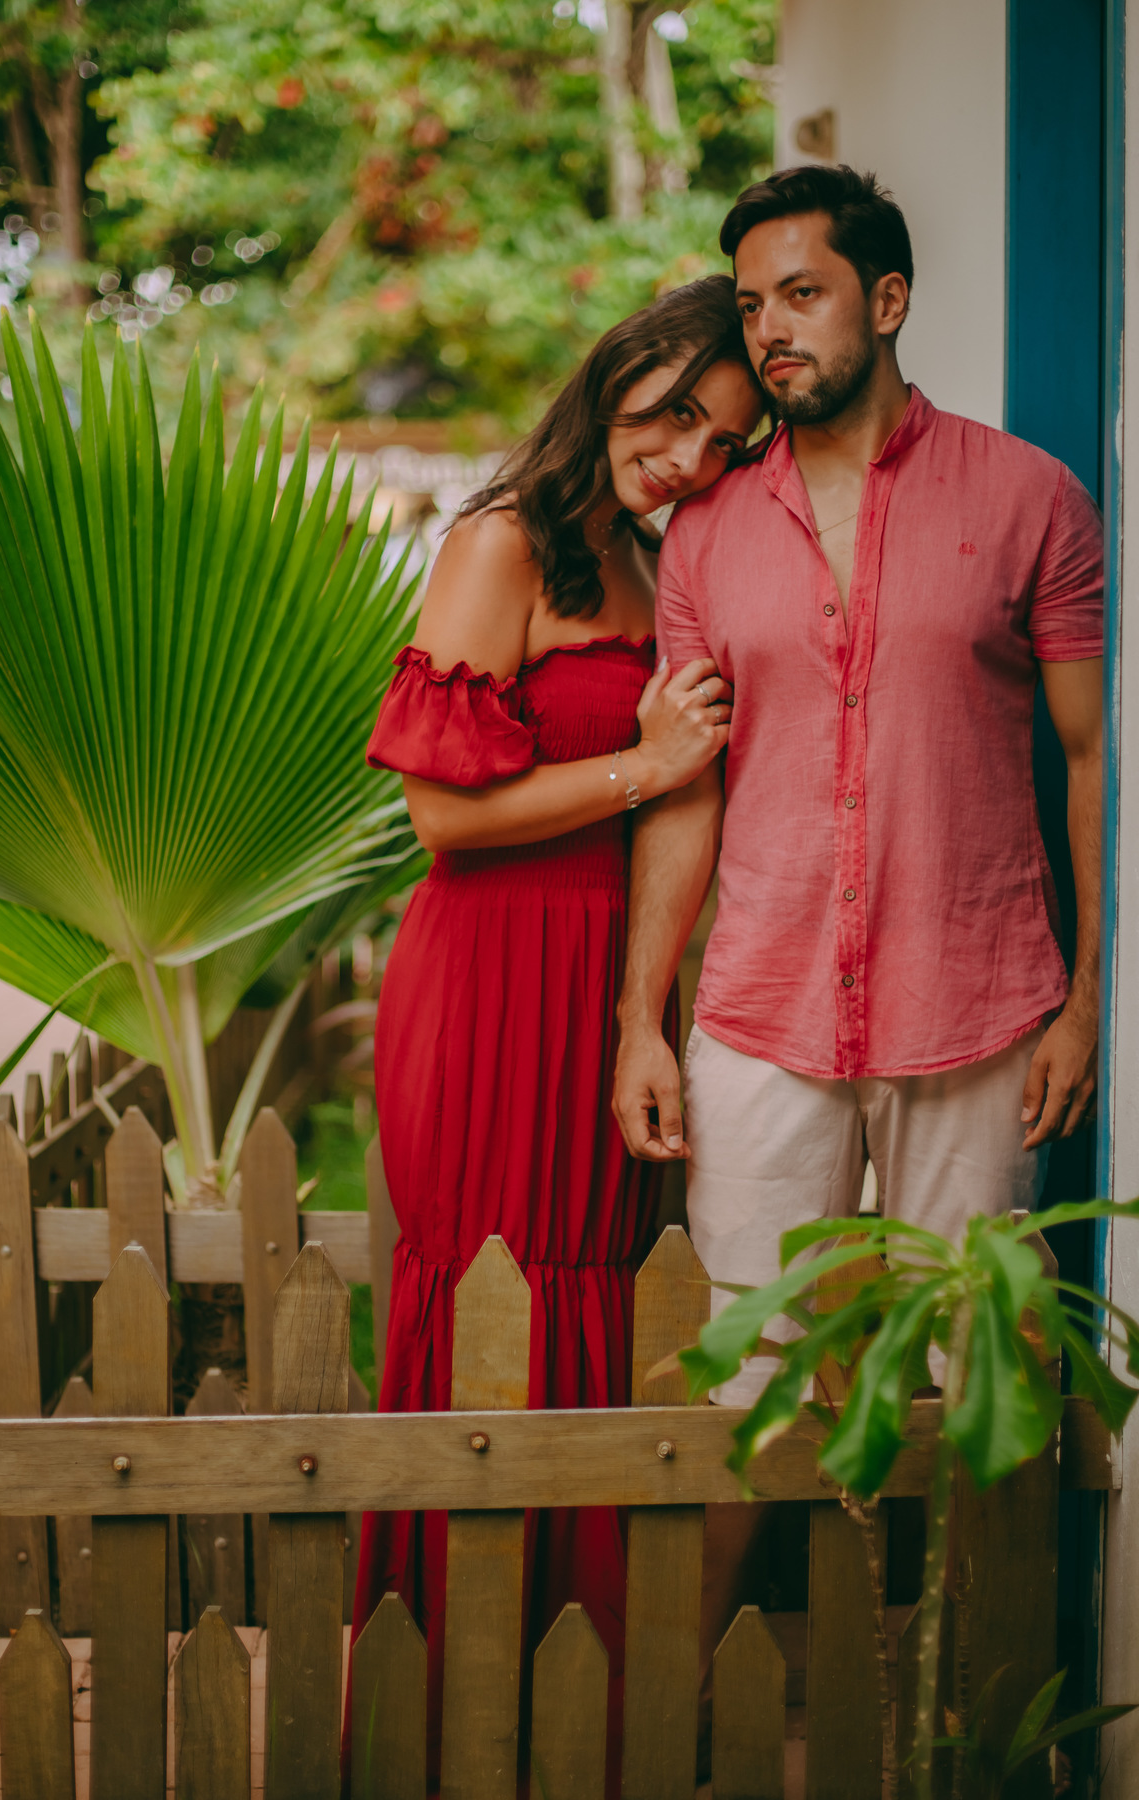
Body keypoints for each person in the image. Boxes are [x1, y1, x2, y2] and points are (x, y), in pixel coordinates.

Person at [610, 165, 1104, 1733]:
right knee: (749, 1384)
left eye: (801, 295)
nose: (770, 333)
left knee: (986, 1375)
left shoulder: (1031, 499)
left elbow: (1094, 763)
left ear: (886, 301)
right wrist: (644, 1017)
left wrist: (1090, 998)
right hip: (756, 1011)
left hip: (981, 1003)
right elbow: (682, 792)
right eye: (751, 305)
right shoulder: (704, 535)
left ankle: (979, 1716)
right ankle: (675, 1722)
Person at [350, 274, 766, 1790]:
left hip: (610, 982)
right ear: (622, 374)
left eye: (725, 440)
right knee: (486, 1308)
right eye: (676, 418)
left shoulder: (678, 564)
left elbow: (696, 783)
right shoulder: (500, 543)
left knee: (591, 1313)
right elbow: (444, 818)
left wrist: (646, 1009)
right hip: (484, 978)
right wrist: (644, 768)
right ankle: (449, 1718)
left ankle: (578, 1717)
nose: (692, 460)